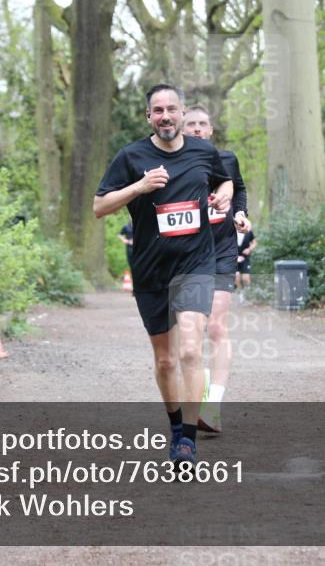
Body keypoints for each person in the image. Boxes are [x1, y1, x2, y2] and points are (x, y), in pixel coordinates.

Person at [94, 84, 233, 466]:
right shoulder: (131, 157)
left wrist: (223, 193)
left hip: (195, 265)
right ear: (149, 116)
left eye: (172, 109)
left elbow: (225, 179)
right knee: (166, 361)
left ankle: (187, 441)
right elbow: (99, 207)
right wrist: (139, 186)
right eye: (158, 110)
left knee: (190, 349)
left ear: (182, 113)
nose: (166, 116)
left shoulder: (203, 151)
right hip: (151, 270)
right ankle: (175, 427)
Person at [182, 104, 251, 434]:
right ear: (181, 129)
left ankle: (214, 406)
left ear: (210, 130)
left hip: (222, 251)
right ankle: (202, 383)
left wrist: (241, 215)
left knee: (216, 328)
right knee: (190, 334)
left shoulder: (227, 159)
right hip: (185, 255)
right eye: (191, 124)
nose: (197, 128)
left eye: (202, 124)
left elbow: (239, 188)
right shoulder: (173, 165)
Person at [235, 228, 257, 298]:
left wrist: (249, 249)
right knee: (236, 277)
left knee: (245, 278)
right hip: (234, 258)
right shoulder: (230, 231)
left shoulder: (248, 231)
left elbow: (254, 243)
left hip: (245, 257)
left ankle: (248, 293)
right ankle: (240, 294)